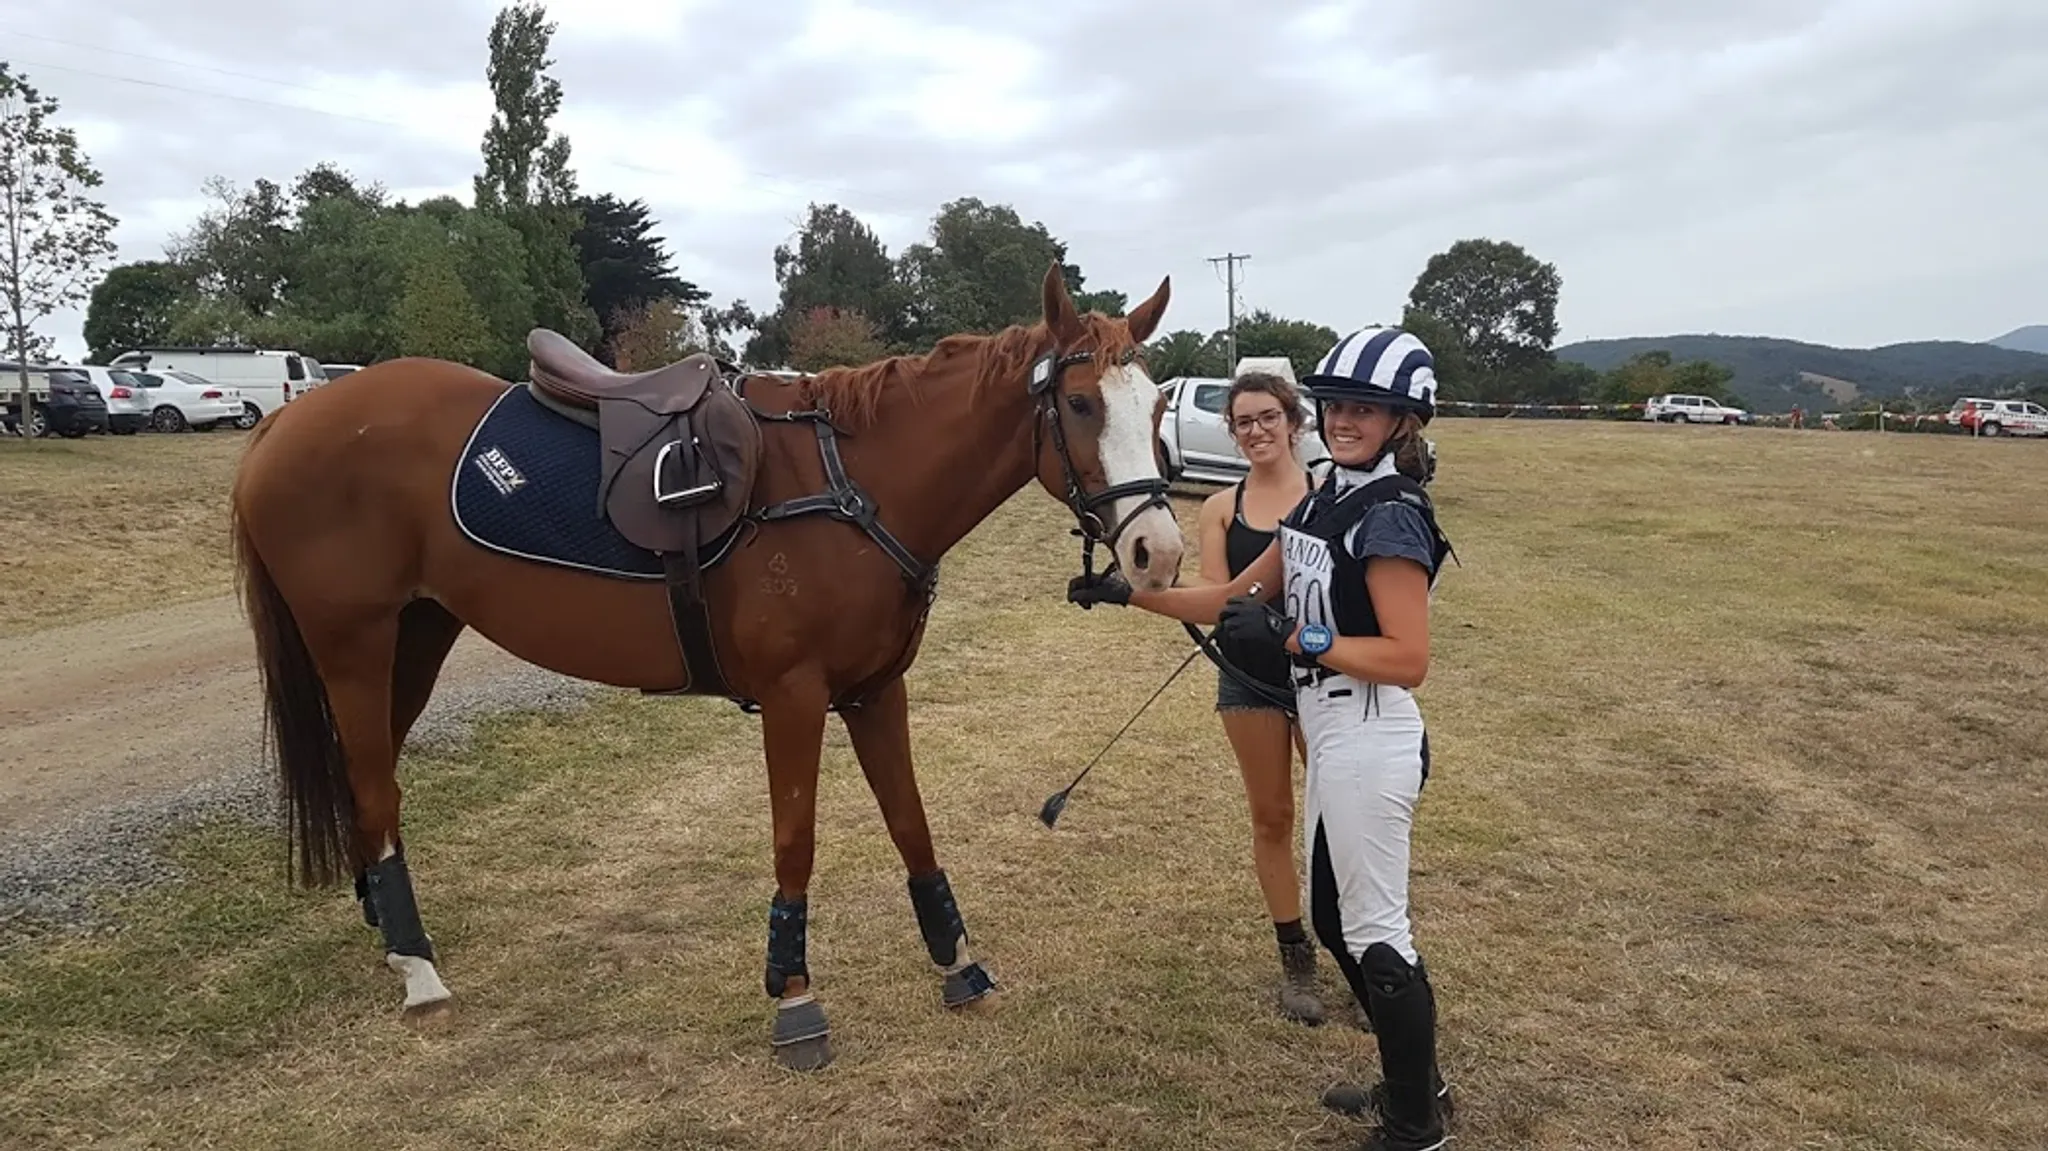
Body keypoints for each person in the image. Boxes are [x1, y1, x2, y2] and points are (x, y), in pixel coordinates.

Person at [1070, 326, 1456, 1151]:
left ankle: (1416, 1122)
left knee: (1378, 933)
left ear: (1402, 420)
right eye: (1341, 404)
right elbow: (1230, 596)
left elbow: (1409, 656)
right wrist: (1123, 594)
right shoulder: (1330, 497)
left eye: (1369, 408)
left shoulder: (1389, 514)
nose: (1348, 418)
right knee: (1330, 912)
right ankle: (1413, 1078)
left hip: (1369, 730)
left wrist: (1296, 638)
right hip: (1331, 725)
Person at [1197, 370, 1323, 1025]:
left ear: (1293, 419)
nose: (1256, 430)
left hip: (1322, 678)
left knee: (1338, 822)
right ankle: (1295, 956)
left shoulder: (1328, 494)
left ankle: (1362, 948)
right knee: (1272, 817)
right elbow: (1218, 599)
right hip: (1247, 679)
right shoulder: (1220, 508)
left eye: (1267, 416)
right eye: (1243, 421)